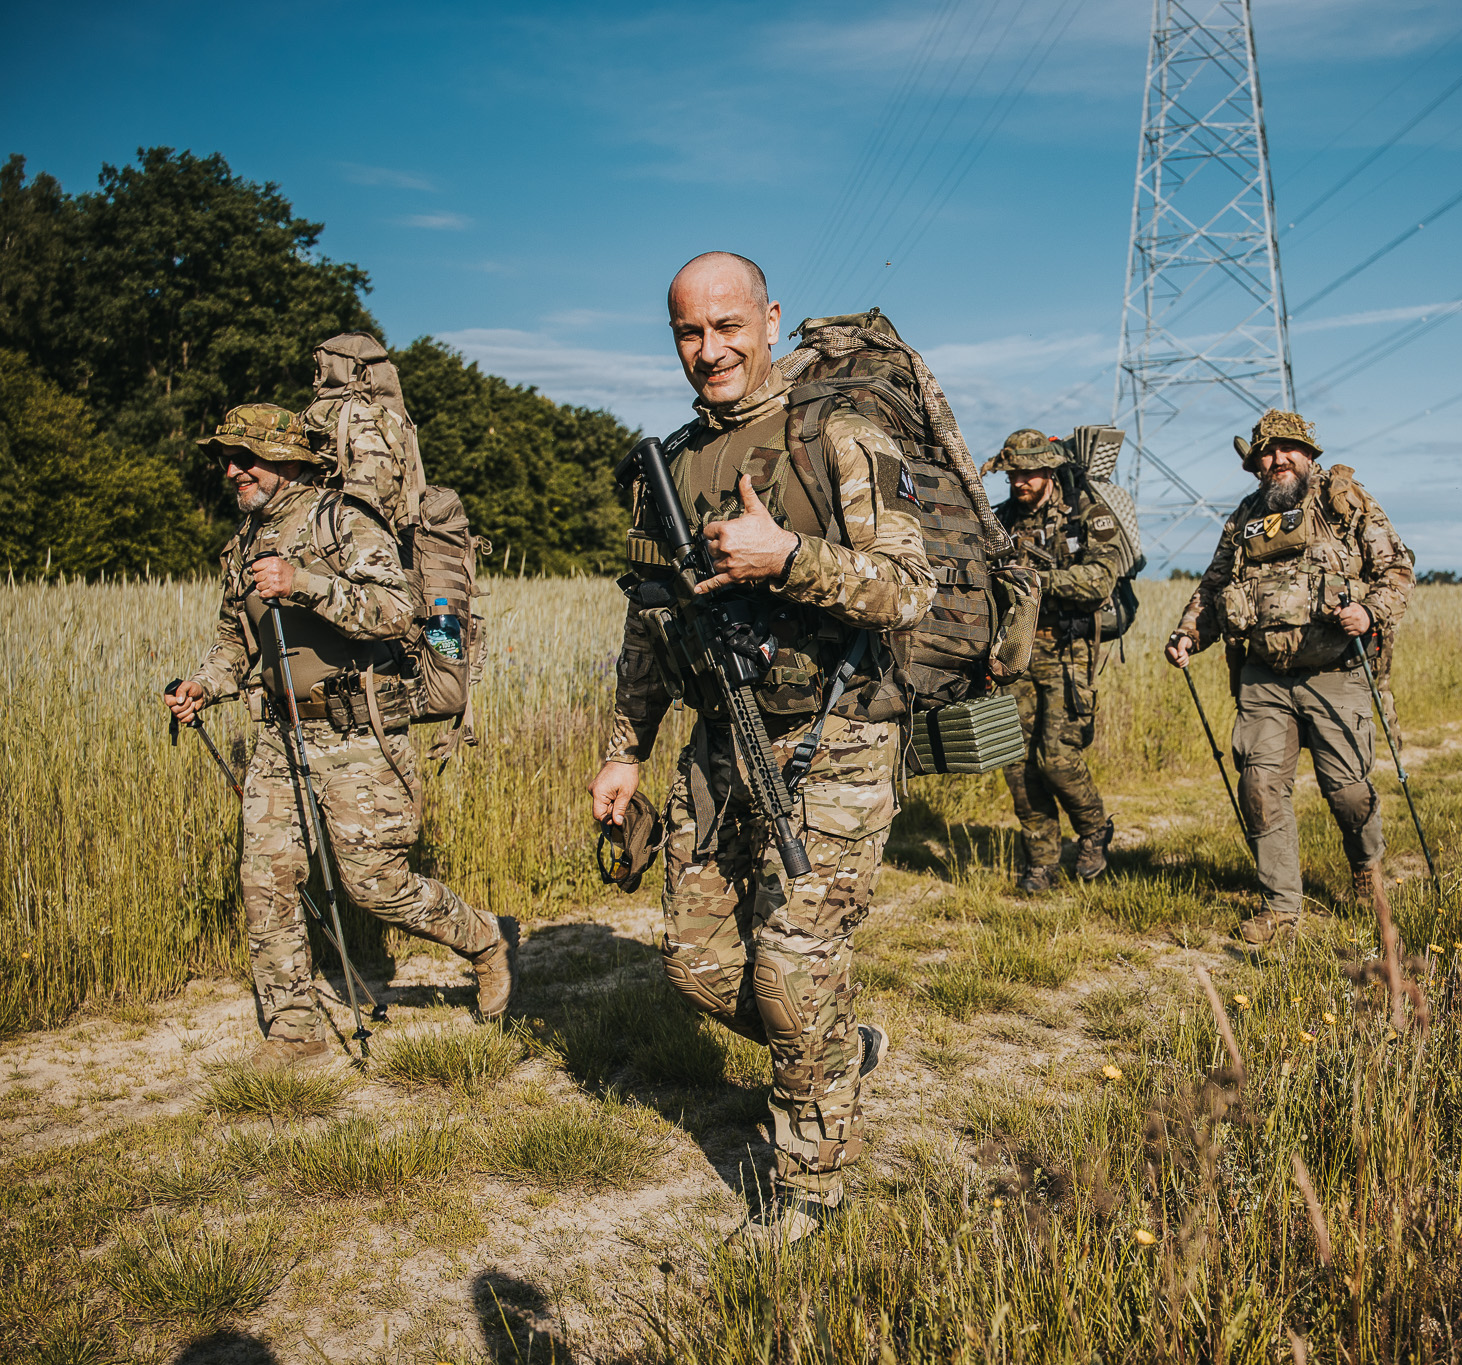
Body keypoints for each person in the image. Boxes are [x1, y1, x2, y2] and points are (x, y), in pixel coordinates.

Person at [587, 252, 936, 1247]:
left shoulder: (835, 438)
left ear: (769, 320)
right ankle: (832, 1050)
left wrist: (788, 558)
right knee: (696, 968)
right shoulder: (667, 468)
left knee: (790, 968)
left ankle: (809, 1193)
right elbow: (649, 629)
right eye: (689, 333)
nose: (710, 350)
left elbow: (911, 590)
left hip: (837, 733)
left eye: (727, 326)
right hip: (719, 744)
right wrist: (625, 750)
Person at [165, 404, 516, 1061]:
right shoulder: (239, 547)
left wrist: (304, 584)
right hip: (279, 735)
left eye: (248, 457)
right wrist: (200, 687)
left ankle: (484, 938)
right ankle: (294, 1030)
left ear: (290, 461)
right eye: (227, 459)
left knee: (375, 884)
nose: (233, 470)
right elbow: (234, 648)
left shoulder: (341, 521)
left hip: (359, 730)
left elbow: (396, 608)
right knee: (265, 877)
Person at [1164, 410, 1414, 945]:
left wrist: (1369, 611)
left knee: (1346, 790)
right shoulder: (1245, 517)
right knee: (1259, 785)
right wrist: (1189, 634)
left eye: (1288, 450)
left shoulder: (1346, 504)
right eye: (1267, 453)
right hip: (1263, 676)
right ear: (1256, 464)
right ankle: (1281, 907)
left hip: (1336, 671)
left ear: (1308, 455)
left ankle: (1366, 865)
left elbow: (1397, 572)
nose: (1277, 460)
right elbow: (1212, 590)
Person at [986, 429, 1134, 891]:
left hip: (1068, 649)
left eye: (1027, 473)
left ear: (1048, 471)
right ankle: (1042, 862)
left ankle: (1092, 829)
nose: (1019, 483)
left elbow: (1099, 580)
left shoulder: (1086, 513)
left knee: (1057, 759)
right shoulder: (1000, 519)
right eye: (1012, 475)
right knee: (1017, 763)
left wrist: (1037, 582)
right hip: (1017, 649)